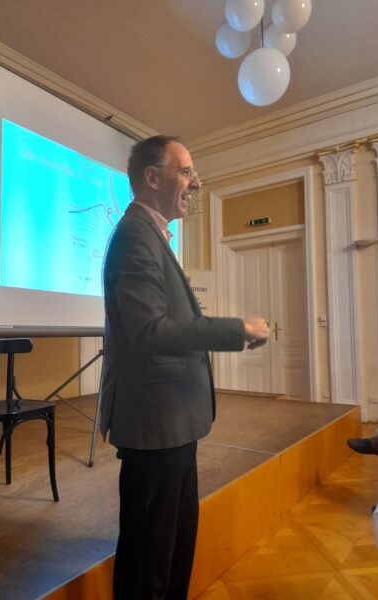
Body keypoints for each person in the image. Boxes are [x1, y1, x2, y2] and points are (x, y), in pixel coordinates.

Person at [100, 135, 270, 600]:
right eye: (186, 171)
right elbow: (150, 331)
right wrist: (236, 330)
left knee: (172, 549)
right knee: (149, 561)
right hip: (155, 424)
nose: (195, 182)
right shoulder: (135, 234)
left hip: (172, 421)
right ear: (153, 177)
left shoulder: (151, 234)